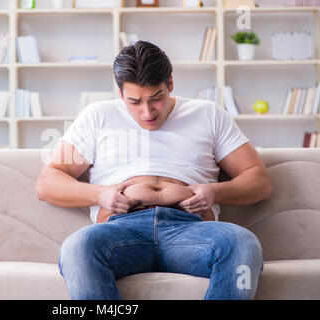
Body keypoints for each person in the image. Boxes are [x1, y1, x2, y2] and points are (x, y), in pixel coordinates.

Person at [35, 40, 272, 300]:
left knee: (242, 243)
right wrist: (100, 195)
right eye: (134, 101)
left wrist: (214, 192)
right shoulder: (96, 116)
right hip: (120, 231)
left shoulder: (208, 114)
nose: (147, 112)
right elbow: (48, 182)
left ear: (170, 84)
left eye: (156, 98)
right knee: (77, 247)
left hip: (192, 231)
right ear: (120, 92)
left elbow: (259, 181)